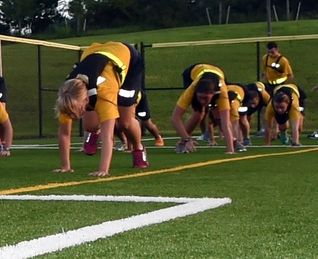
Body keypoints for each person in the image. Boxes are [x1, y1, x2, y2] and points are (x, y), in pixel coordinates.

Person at [54, 41, 148, 176]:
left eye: (74, 112)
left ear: (86, 100)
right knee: (90, 126)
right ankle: (94, 131)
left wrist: (103, 170)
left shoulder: (104, 94)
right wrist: (66, 166)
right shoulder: (67, 96)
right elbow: (64, 133)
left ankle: (138, 148)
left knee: (124, 122)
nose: (72, 117)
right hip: (95, 52)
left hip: (128, 59)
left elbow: (108, 137)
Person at [171, 64, 236, 154]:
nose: (202, 101)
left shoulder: (222, 92)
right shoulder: (192, 89)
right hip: (193, 74)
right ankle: (181, 143)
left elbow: (225, 122)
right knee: (198, 114)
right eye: (200, 97)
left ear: (213, 94)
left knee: (219, 115)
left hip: (218, 75)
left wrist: (230, 150)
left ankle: (232, 140)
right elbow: (175, 117)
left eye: (205, 98)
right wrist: (187, 139)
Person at [238, 81, 270, 147]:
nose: (252, 106)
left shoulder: (265, 97)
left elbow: (273, 112)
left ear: (258, 99)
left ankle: (264, 130)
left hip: (263, 88)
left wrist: (276, 130)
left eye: (254, 103)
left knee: (266, 111)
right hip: (245, 94)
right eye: (251, 104)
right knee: (242, 119)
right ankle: (245, 138)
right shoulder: (244, 99)